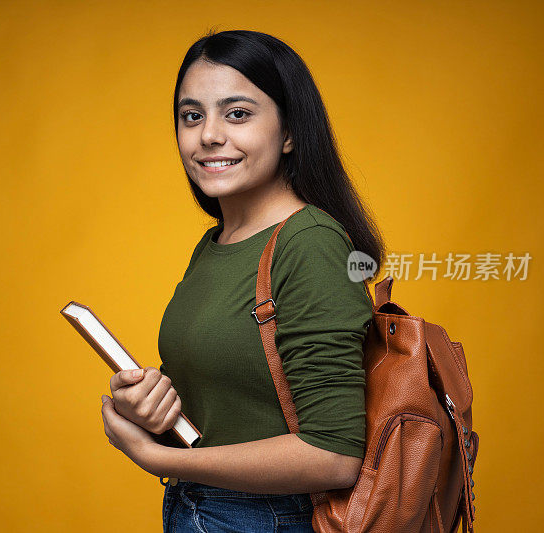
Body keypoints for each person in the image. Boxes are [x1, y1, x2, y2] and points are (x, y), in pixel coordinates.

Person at [100, 29, 386, 532]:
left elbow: (334, 455)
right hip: (203, 511)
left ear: (290, 131)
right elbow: (233, 411)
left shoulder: (310, 242)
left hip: (271, 519)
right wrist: (152, 413)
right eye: (192, 116)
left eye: (237, 113)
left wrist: (160, 460)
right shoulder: (217, 244)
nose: (208, 135)